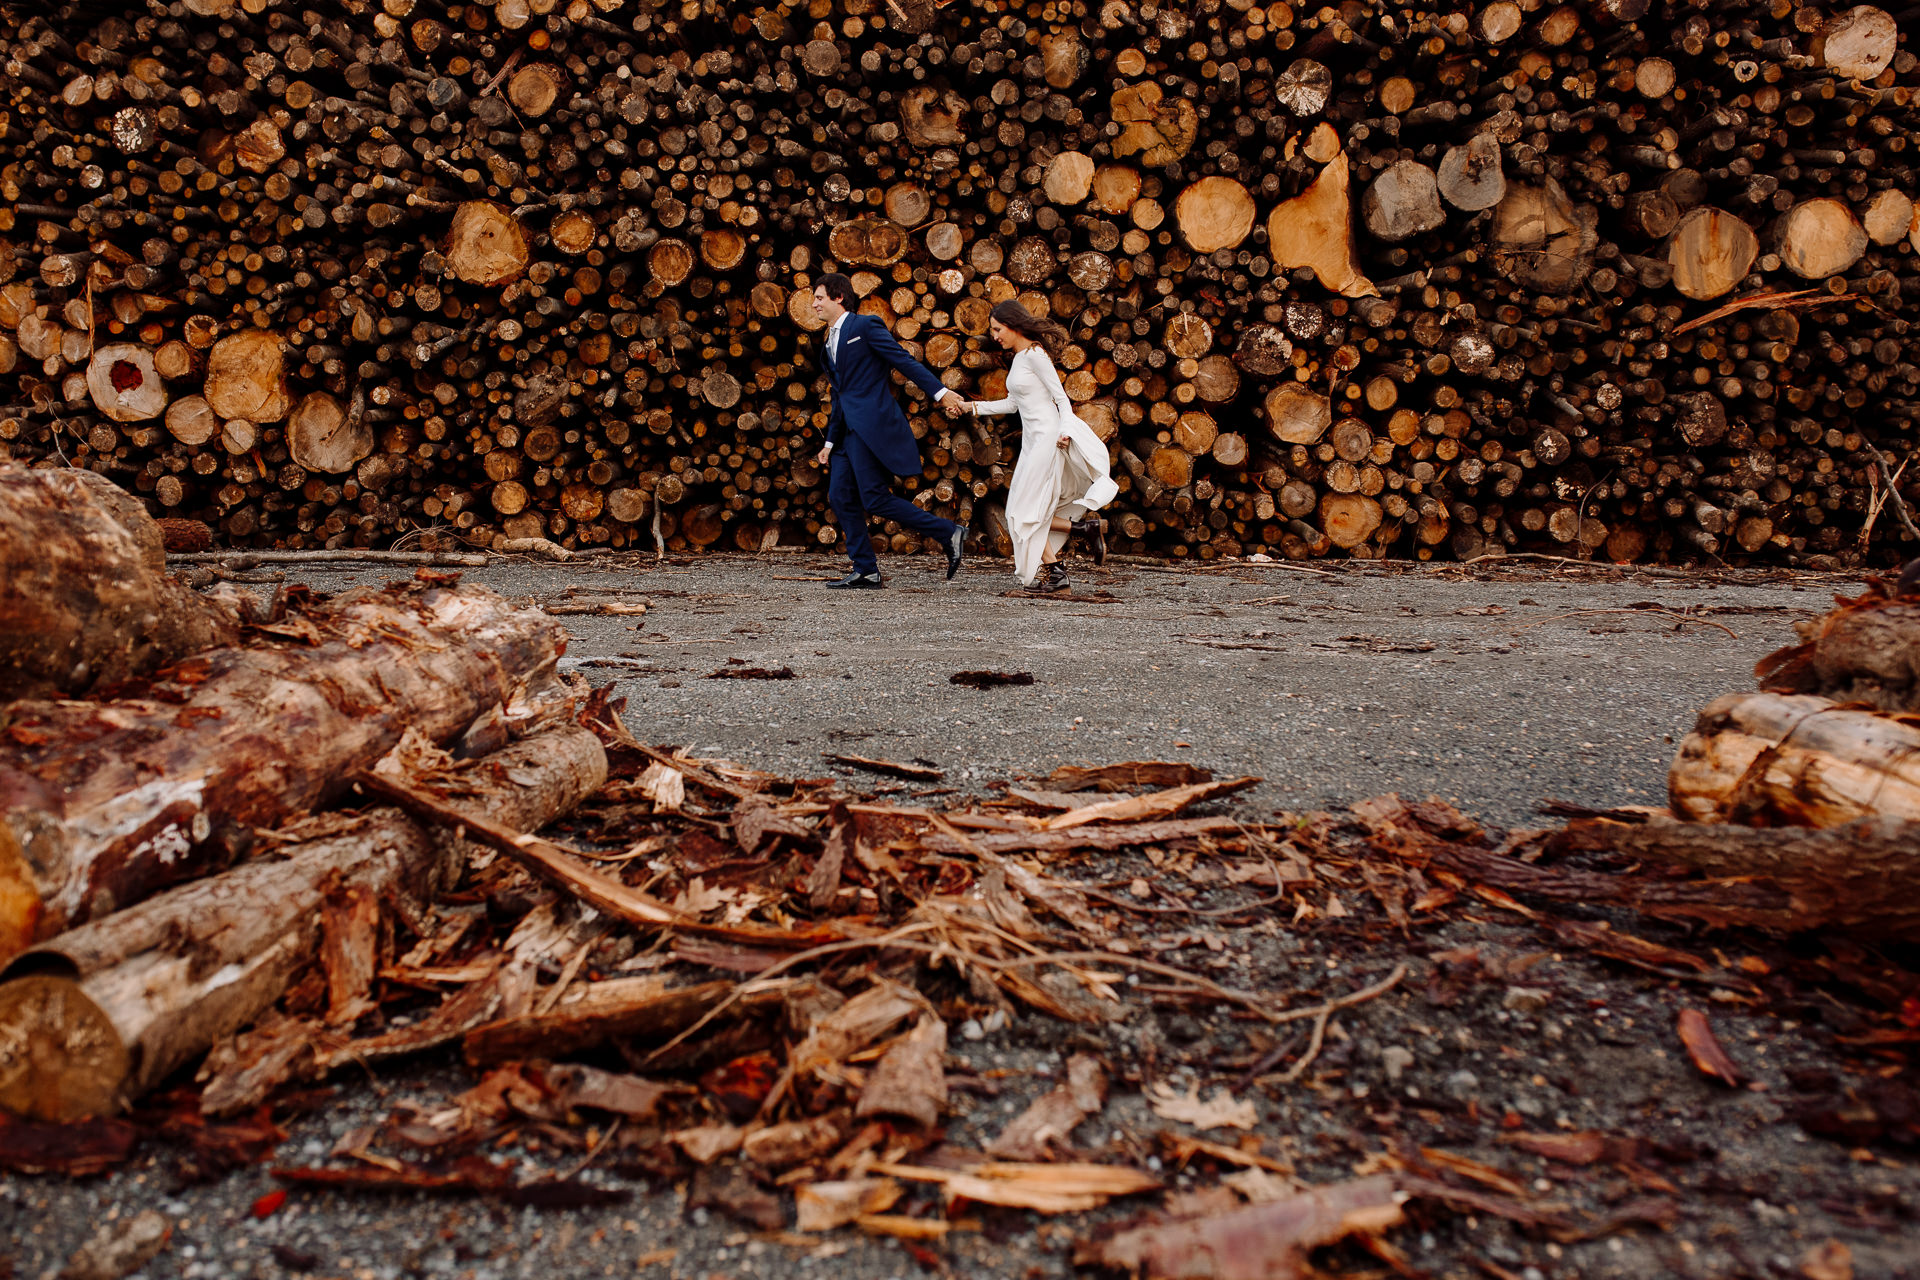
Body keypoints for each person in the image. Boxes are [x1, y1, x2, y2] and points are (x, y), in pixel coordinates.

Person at [811, 273, 969, 589]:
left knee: (874, 499)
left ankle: (948, 532)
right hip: (844, 434)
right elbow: (841, 394)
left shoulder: (864, 327)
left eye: (819, 297)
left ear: (839, 297)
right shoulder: (827, 342)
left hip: (871, 428)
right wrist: (829, 440)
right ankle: (866, 569)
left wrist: (941, 393)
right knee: (840, 496)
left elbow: (902, 361)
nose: (813, 303)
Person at [955, 301, 1116, 593]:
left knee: (1020, 511)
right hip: (1033, 441)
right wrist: (971, 407)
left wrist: (1066, 430)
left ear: (1014, 325)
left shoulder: (1035, 355)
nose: (994, 336)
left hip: (1048, 438)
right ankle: (1076, 542)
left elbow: (1061, 398)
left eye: (997, 329)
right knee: (1024, 511)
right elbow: (1013, 404)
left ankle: (1059, 569)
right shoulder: (1018, 359)